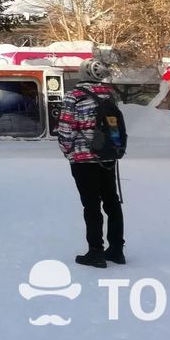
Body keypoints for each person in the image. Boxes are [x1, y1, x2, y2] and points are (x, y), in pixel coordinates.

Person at [56, 59, 124, 268]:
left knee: (91, 205)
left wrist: (67, 150)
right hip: (108, 156)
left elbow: (66, 129)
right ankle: (116, 250)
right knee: (112, 202)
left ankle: (96, 252)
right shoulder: (108, 95)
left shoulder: (74, 96)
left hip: (83, 159)